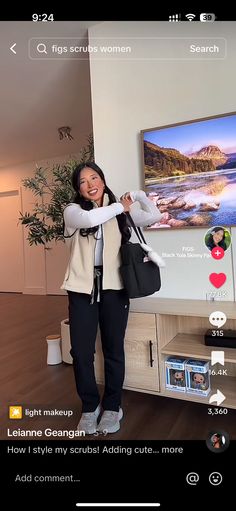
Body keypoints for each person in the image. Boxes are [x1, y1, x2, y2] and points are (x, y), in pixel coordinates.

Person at [61, 161, 162, 435]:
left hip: (115, 288)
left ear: (102, 181)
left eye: (94, 178)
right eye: (83, 181)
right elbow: (90, 220)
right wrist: (121, 206)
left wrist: (138, 197)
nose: (90, 184)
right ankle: (89, 407)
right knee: (81, 352)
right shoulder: (72, 212)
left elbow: (154, 216)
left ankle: (113, 407)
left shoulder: (120, 214)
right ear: (79, 190)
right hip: (82, 289)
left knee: (114, 349)